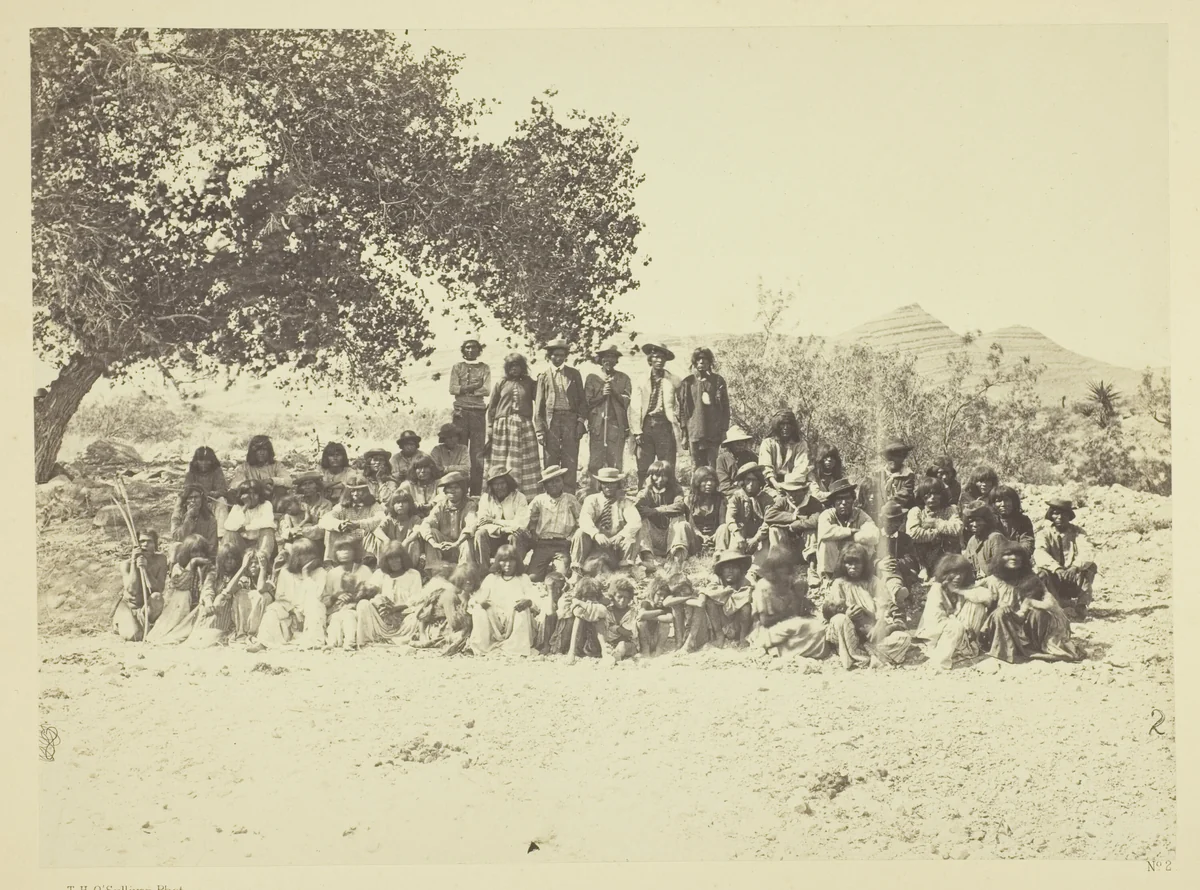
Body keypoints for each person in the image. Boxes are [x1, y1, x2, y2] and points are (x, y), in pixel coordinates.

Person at [822, 543, 912, 670]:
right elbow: (830, 613)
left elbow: (883, 608)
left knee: (904, 638)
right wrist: (847, 616)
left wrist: (879, 626)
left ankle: (865, 652)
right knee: (839, 620)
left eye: (857, 563)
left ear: (864, 564)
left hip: (872, 632)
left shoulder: (873, 581)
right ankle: (854, 654)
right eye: (848, 563)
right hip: (850, 633)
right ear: (843, 565)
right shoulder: (839, 584)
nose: (853, 567)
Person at [469, 544, 548, 656]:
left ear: (517, 562)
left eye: (512, 560)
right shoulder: (491, 578)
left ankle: (515, 648)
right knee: (479, 610)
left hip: (514, 619)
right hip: (495, 622)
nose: (507, 564)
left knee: (522, 611)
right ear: (498, 562)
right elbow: (476, 598)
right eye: (503, 561)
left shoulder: (523, 578)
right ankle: (483, 647)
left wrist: (528, 601)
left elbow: (535, 600)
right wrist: (481, 602)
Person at [919, 554, 993, 671]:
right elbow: (934, 621)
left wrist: (959, 591)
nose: (958, 577)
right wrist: (959, 624)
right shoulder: (937, 589)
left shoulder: (965, 587)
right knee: (954, 626)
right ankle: (941, 663)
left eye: (961, 573)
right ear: (945, 573)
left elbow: (988, 597)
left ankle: (961, 648)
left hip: (963, 637)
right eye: (954, 573)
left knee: (977, 604)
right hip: (938, 637)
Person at [533, 336, 587, 492]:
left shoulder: (574, 374)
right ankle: (551, 493)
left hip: (570, 419)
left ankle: (569, 494)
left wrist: (580, 422)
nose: (558, 358)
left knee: (570, 458)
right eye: (555, 355)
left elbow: (582, 402)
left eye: (561, 355)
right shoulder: (543, 376)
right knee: (551, 458)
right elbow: (539, 407)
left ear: (565, 356)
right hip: (551, 421)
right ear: (549, 356)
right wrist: (540, 431)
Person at [485, 352, 542, 496]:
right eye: (511, 366)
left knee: (523, 461)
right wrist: (490, 426)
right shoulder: (502, 383)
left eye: (517, 365)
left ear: (522, 367)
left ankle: (525, 495)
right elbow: (492, 407)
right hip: (502, 427)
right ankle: (500, 493)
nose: (514, 369)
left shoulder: (529, 382)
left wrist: (540, 382)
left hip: (523, 426)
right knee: (502, 462)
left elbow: (540, 400)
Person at [254, 538, 326, 649]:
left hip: (309, 615)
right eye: (303, 555)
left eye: (311, 554)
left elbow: (317, 596)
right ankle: (264, 642)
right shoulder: (286, 572)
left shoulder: (320, 572)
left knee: (315, 606)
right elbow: (280, 597)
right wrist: (294, 610)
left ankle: (312, 642)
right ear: (296, 557)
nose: (308, 557)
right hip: (290, 613)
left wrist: (306, 574)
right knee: (273, 609)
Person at [751, 555, 827, 659]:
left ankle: (787, 649)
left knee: (819, 629)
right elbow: (765, 621)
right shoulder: (764, 587)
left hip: (786, 623)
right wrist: (788, 614)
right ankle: (780, 650)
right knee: (811, 628)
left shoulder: (786, 583)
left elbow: (803, 605)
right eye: (782, 572)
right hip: (768, 629)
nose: (786, 576)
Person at [1034, 498, 1098, 618]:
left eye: (1064, 513)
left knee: (1091, 567)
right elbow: (1040, 553)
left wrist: (1075, 567)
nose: (1059, 517)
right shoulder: (1044, 533)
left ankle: (1081, 605)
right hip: (1055, 579)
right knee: (1042, 573)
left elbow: (1088, 551)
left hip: (1073, 578)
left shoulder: (1078, 532)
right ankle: (1055, 605)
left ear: (1069, 516)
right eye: (1056, 513)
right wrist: (1056, 568)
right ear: (1051, 515)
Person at [978, 542, 1040, 663]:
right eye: (1008, 554)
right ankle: (1004, 651)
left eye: (1018, 555)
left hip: (1024, 623)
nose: (1013, 558)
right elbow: (973, 591)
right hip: (1000, 622)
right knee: (1000, 612)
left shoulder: (1031, 579)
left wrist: (1020, 613)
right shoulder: (993, 580)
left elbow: (1035, 602)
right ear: (1000, 559)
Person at [629, 342, 681, 485]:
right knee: (643, 464)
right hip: (646, 425)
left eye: (662, 358)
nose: (659, 361)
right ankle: (643, 496)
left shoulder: (674, 380)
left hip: (664, 425)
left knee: (666, 463)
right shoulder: (641, 380)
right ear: (650, 359)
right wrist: (637, 431)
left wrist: (678, 421)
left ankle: (668, 496)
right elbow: (635, 406)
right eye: (656, 357)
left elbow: (681, 402)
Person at [355, 540, 425, 647]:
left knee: (417, 615)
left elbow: (416, 599)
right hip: (383, 619)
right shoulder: (380, 574)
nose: (394, 561)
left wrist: (396, 608)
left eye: (397, 558)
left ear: (403, 558)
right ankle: (368, 638)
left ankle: (399, 639)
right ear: (385, 561)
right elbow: (370, 591)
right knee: (363, 604)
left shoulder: (413, 574)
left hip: (404, 620)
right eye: (390, 559)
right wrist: (377, 601)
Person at [572, 467, 643, 569]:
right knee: (580, 532)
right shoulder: (592, 499)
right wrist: (596, 534)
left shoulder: (625, 502)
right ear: (600, 484)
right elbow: (585, 518)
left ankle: (625, 569)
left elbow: (635, 521)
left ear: (618, 484)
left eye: (613, 483)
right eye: (605, 483)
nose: (609, 487)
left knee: (633, 534)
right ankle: (576, 570)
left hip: (617, 545)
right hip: (595, 543)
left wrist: (620, 535)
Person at [145, 534, 211, 644]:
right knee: (183, 594)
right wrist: (191, 564)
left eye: (201, 552)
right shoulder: (178, 567)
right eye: (194, 552)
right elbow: (180, 585)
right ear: (187, 552)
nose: (198, 555)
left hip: (197, 604)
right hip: (177, 605)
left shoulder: (207, 567)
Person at [814, 478, 881, 585]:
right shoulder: (827, 515)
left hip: (854, 562)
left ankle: (860, 577)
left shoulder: (860, 514)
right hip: (834, 563)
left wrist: (853, 537)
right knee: (826, 542)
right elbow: (824, 532)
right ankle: (828, 579)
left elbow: (874, 535)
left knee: (867, 544)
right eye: (839, 499)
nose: (843, 503)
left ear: (853, 500)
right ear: (833, 503)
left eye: (847, 498)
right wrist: (850, 532)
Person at [583, 342, 633, 485]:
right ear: (600, 359)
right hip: (597, 427)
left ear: (616, 360)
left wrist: (614, 391)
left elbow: (626, 401)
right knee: (595, 461)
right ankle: (594, 491)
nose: (608, 360)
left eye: (612, 357)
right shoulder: (592, 378)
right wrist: (602, 395)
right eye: (605, 357)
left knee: (615, 461)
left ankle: (615, 491)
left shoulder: (624, 378)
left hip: (616, 426)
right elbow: (587, 402)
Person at [449, 335, 492, 496]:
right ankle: (459, 491)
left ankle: (475, 493)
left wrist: (464, 388)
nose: (471, 350)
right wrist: (474, 386)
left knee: (477, 453)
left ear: (479, 350)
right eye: (467, 347)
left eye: (474, 347)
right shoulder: (457, 367)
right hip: (460, 412)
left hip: (478, 413)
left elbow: (486, 390)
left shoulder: (484, 368)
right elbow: (453, 389)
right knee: (460, 451)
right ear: (463, 350)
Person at [676, 347, 730, 470]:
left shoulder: (718, 381)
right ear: (694, 362)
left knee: (712, 464)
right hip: (694, 431)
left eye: (705, 360)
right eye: (699, 360)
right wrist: (684, 434)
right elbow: (682, 410)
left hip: (713, 432)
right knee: (695, 465)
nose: (702, 363)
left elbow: (725, 407)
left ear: (710, 362)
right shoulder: (687, 382)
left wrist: (724, 430)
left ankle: (712, 488)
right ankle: (694, 489)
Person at [322, 535, 379, 650]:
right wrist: (335, 596)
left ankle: (350, 642)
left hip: (357, 611)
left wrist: (358, 596)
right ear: (335, 553)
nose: (344, 553)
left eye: (348, 549)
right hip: (336, 610)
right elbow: (325, 600)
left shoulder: (364, 570)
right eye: (340, 549)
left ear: (355, 552)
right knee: (336, 619)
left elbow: (372, 592)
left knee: (348, 617)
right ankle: (331, 643)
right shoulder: (332, 574)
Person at [634, 460, 692, 574]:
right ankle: (649, 558)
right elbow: (638, 508)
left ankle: (675, 560)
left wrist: (655, 510)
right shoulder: (645, 491)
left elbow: (679, 506)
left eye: (664, 476)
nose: (660, 479)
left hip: (671, 534)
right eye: (657, 475)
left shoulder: (676, 490)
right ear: (651, 476)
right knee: (642, 521)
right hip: (653, 535)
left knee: (680, 522)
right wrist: (647, 488)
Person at [112, 529, 170, 641]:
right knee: (134, 636)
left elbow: (159, 589)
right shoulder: (126, 564)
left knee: (157, 598)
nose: (145, 545)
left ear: (155, 544)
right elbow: (132, 591)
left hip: (147, 608)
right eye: (142, 541)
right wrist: (135, 563)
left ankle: (147, 625)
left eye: (150, 541)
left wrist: (146, 569)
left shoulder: (161, 560)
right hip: (130, 607)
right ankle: (127, 624)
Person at [763, 467, 823, 576]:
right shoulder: (783, 501)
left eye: (796, 492)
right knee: (774, 530)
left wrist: (796, 525)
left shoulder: (813, 503)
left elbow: (815, 521)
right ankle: (777, 566)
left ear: (804, 491)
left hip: (805, 547)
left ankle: (813, 569)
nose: (792, 496)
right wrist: (794, 517)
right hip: (787, 548)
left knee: (812, 531)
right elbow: (769, 516)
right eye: (789, 492)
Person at [526, 465, 582, 581]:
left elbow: (580, 521)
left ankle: (558, 568)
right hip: (543, 544)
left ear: (562, 482)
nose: (554, 485)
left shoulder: (570, 499)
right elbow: (529, 518)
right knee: (533, 577)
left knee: (560, 578)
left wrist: (570, 538)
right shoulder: (539, 500)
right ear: (545, 485)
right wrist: (533, 532)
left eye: (557, 481)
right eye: (550, 482)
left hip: (562, 544)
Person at [318, 473, 385, 566]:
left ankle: (372, 563)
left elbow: (381, 518)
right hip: (347, 540)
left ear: (366, 491)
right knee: (330, 531)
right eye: (352, 491)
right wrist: (340, 524)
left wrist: (358, 524)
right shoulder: (342, 506)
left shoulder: (373, 505)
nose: (356, 494)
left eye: (360, 491)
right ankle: (331, 563)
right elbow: (325, 519)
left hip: (365, 541)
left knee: (377, 532)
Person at [417, 471, 478, 572]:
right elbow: (426, 523)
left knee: (468, 540)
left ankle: (464, 573)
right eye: (449, 488)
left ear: (463, 490)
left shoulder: (469, 505)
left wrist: (457, 543)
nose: (452, 491)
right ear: (445, 491)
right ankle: (434, 571)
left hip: (460, 546)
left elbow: (471, 525)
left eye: (456, 488)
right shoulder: (441, 505)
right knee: (432, 532)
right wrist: (434, 543)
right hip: (444, 546)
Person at [471, 466, 532, 566]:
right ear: (491, 486)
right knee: (480, 533)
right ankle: (484, 570)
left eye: (502, 483)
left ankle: (516, 570)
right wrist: (502, 530)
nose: (500, 487)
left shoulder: (519, 497)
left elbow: (521, 524)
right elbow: (482, 523)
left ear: (508, 482)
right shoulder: (485, 498)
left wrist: (494, 521)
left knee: (515, 534)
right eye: (496, 484)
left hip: (515, 540)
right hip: (494, 539)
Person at [185, 544, 242, 648]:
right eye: (226, 558)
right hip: (210, 608)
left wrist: (220, 597)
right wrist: (208, 601)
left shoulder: (239, 577)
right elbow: (207, 588)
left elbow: (229, 590)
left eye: (233, 559)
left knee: (221, 603)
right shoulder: (214, 574)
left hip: (225, 611)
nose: (229, 561)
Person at [717, 462, 774, 567]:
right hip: (741, 535)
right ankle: (721, 558)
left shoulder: (767, 499)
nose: (751, 484)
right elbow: (730, 517)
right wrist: (738, 534)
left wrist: (756, 538)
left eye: (754, 480)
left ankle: (756, 567)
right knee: (723, 528)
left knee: (771, 535)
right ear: (743, 481)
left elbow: (768, 521)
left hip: (760, 535)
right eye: (748, 480)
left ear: (759, 481)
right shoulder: (737, 497)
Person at [905, 479, 963, 578]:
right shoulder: (916, 511)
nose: (932, 498)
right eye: (927, 494)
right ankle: (924, 571)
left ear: (942, 495)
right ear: (922, 496)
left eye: (936, 494)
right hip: (923, 556)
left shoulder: (950, 510)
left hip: (945, 553)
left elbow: (958, 528)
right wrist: (938, 533)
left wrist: (936, 522)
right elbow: (913, 534)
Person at [702, 550, 755, 647]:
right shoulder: (718, 579)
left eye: (734, 567)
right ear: (721, 570)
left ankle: (743, 638)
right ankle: (719, 636)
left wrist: (733, 596)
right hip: (722, 621)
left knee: (746, 606)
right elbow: (709, 591)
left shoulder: (744, 581)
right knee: (710, 602)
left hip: (737, 622)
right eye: (727, 567)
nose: (730, 570)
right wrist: (725, 591)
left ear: (740, 570)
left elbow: (748, 593)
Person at [857, 440, 917, 522]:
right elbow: (865, 494)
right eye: (889, 456)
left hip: (899, 514)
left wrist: (885, 509)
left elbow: (902, 497)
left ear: (903, 458)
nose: (892, 460)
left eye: (897, 456)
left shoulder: (908, 476)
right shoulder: (877, 474)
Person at [223, 480, 276, 571]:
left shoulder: (266, 505)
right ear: (242, 495)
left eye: (255, 493)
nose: (251, 497)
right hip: (243, 543)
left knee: (267, 530)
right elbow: (229, 526)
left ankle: (262, 562)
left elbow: (267, 522)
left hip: (260, 542)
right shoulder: (237, 507)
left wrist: (245, 528)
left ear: (259, 494)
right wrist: (245, 506)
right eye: (248, 494)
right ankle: (233, 565)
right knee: (230, 533)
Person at [877, 500, 921, 610]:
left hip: (901, 573)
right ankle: (896, 595)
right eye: (891, 521)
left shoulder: (905, 539)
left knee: (891, 570)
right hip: (878, 573)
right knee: (885, 572)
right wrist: (879, 564)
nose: (896, 524)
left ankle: (896, 594)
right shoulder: (876, 537)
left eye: (899, 520)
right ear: (882, 521)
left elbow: (913, 560)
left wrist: (897, 563)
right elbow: (869, 557)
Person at [276, 471, 332, 555]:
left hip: (315, 540)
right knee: (288, 549)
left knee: (303, 548)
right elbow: (284, 520)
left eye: (310, 483)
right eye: (304, 484)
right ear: (300, 488)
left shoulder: (325, 504)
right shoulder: (295, 501)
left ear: (317, 485)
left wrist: (302, 531)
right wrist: (290, 531)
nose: (307, 487)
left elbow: (323, 528)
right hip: (293, 537)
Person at [366, 489, 423, 568]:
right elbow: (377, 530)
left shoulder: (415, 519)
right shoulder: (390, 519)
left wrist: (407, 541)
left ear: (410, 504)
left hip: (406, 550)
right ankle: (382, 566)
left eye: (404, 502)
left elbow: (417, 532)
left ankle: (409, 568)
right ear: (392, 505)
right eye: (397, 502)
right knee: (379, 540)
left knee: (414, 543)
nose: (400, 505)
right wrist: (386, 540)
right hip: (391, 549)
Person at [759, 409, 808, 491]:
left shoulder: (801, 445)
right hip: (772, 485)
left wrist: (787, 482)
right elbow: (765, 467)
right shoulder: (768, 443)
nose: (785, 427)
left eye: (789, 424)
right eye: (782, 424)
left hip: (796, 486)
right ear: (776, 425)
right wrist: (775, 483)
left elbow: (801, 468)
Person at [961, 500, 1008, 581]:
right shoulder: (972, 541)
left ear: (986, 520)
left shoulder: (995, 538)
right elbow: (967, 566)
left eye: (978, 520)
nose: (974, 524)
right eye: (971, 521)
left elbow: (1002, 571)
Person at [685, 466, 726, 557]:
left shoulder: (720, 499)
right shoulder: (689, 500)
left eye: (712, 480)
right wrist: (701, 536)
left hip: (715, 538)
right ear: (697, 482)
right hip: (696, 538)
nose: (709, 484)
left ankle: (719, 554)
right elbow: (691, 524)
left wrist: (714, 536)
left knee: (724, 528)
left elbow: (722, 522)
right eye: (705, 480)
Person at [169, 485, 219, 559]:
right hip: (183, 554)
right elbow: (176, 537)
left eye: (196, 497)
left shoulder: (210, 519)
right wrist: (189, 517)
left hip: (202, 554)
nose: (193, 500)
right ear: (185, 501)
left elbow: (212, 545)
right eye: (190, 498)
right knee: (176, 546)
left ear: (202, 500)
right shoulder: (178, 516)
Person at [715, 426, 758, 500]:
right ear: (730, 445)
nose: (741, 445)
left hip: (753, 491)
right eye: (737, 443)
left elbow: (759, 476)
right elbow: (724, 485)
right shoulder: (722, 459)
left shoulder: (751, 456)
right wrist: (740, 490)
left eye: (743, 442)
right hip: (732, 494)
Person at [990, 484, 1035, 553]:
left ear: (1014, 502)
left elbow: (1027, 544)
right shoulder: (990, 521)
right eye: (998, 501)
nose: (1003, 504)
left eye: (1006, 500)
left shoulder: (1023, 520)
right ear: (993, 504)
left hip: (1017, 558)